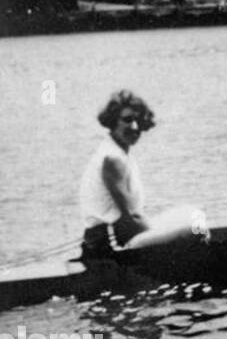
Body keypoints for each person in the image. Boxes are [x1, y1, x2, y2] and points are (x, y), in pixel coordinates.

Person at [79, 90, 206, 259]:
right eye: (127, 120)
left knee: (193, 213)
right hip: (110, 246)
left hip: (115, 234)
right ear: (112, 121)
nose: (134, 127)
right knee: (197, 228)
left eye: (139, 121)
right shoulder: (113, 159)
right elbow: (131, 218)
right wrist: (164, 235)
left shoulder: (117, 151)